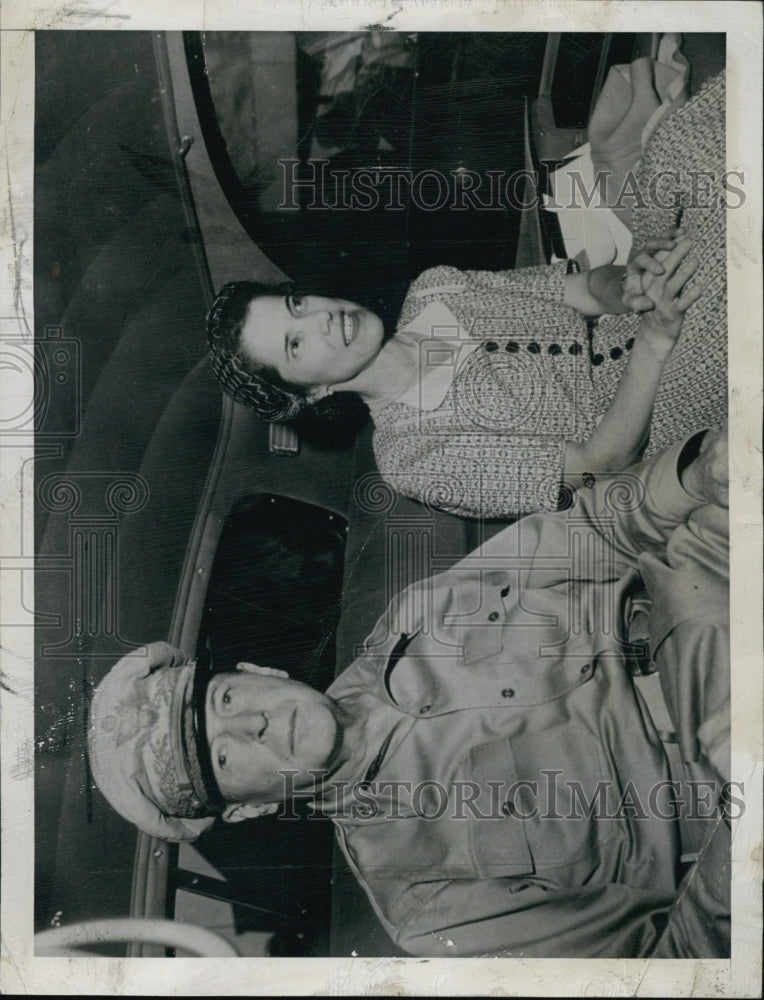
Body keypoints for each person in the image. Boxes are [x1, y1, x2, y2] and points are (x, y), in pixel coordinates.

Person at [90, 426, 731, 958]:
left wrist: (693, 479)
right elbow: (666, 965)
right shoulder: (425, 903)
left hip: (713, 587)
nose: (250, 726)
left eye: (224, 701)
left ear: (262, 672)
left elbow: (594, 532)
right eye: (224, 759)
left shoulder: (416, 616)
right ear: (249, 809)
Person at [206, 70, 726, 520]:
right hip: (657, 416)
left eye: (297, 305)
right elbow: (600, 463)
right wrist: (656, 339)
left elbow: (586, 289)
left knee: (685, 145)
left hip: (647, 321)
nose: (320, 319)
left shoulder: (435, 288)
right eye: (295, 344)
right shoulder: (409, 457)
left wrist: (631, 283)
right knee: (724, 271)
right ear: (310, 394)